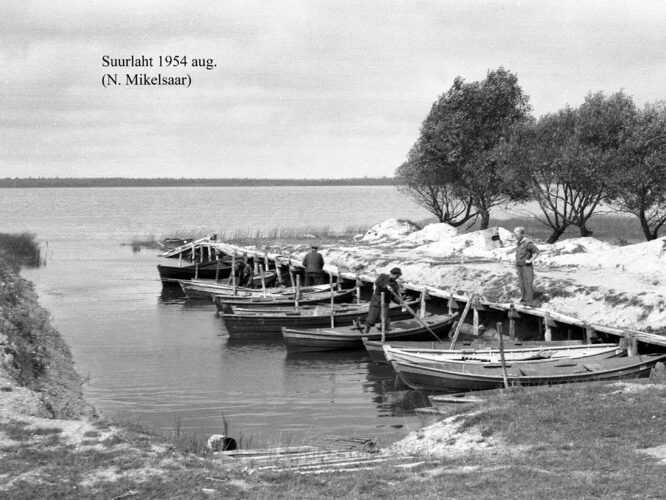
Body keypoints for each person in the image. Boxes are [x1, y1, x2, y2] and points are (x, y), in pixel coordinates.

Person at [364, 267, 403, 334]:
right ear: (393, 274)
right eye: (397, 276)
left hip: (385, 302)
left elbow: (393, 296)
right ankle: (366, 333)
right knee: (371, 318)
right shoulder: (383, 276)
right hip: (377, 300)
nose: (397, 277)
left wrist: (400, 302)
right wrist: (386, 286)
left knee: (384, 319)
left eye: (398, 276)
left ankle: (383, 333)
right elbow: (377, 282)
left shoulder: (395, 284)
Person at [513, 227, 540, 305]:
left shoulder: (527, 243)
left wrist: (530, 260)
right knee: (522, 284)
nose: (515, 235)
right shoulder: (519, 243)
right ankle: (524, 300)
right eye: (514, 233)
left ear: (522, 234)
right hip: (519, 266)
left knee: (528, 283)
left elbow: (537, 252)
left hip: (526, 266)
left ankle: (529, 302)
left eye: (517, 233)